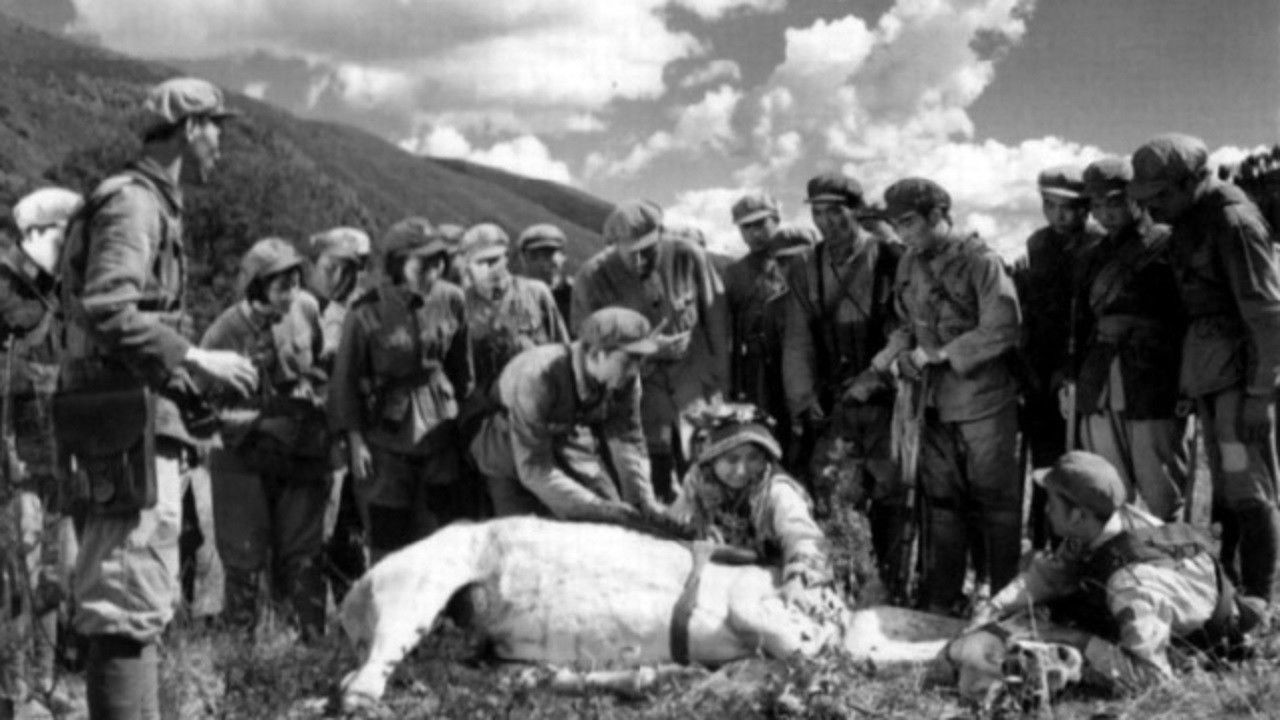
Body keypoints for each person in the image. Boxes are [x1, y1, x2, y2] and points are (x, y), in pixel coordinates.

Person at [58, 77, 258, 719]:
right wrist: (195, 356)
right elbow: (107, 309)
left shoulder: (155, 204)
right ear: (189, 129)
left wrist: (183, 383)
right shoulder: (136, 205)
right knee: (123, 598)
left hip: (140, 424)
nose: (220, 142)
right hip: (124, 431)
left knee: (139, 597)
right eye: (215, 128)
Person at [966, 451, 1264, 694]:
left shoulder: (1130, 586)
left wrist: (1075, 639)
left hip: (1195, 639)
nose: (1045, 510)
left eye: (1052, 503)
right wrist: (995, 607)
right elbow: (1052, 575)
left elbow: (1152, 679)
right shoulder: (1104, 522)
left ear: (1079, 515)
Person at [1128, 132, 1280, 602]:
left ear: (1192, 181)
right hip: (1213, 378)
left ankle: (1258, 605)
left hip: (1240, 383)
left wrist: (1260, 394)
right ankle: (1226, 597)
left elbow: (1267, 315)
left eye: (1161, 197)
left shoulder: (1232, 221)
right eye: (1146, 200)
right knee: (1226, 494)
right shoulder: (1192, 219)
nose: (1152, 211)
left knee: (1249, 493)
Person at [880, 177, 1022, 615]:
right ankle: (943, 598)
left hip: (983, 402)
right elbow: (907, 322)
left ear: (940, 215)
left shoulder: (981, 262)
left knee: (995, 505)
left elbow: (1004, 325)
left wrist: (941, 356)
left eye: (911, 223)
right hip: (933, 404)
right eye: (897, 225)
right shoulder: (908, 264)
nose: (904, 233)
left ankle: (1004, 602)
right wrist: (896, 355)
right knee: (942, 504)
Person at [201, 238, 330, 640]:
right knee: (243, 556)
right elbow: (203, 393)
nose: (292, 294)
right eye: (281, 286)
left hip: (298, 447)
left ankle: (308, 647)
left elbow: (320, 362)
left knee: (302, 552)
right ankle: (241, 654)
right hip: (245, 452)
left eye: (295, 282)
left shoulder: (306, 309)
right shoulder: (225, 330)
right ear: (257, 288)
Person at [782, 173, 905, 589]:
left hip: (889, 397)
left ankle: (894, 582)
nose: (827, 222)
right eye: (818, 212)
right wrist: (803, 396)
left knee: (894, 489)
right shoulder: (805, 266)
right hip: (835, 401)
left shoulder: (890, 257)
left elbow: (907, 328)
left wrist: (878, 376)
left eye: (837, 212)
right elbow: (796, 337)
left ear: (856, 212)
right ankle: (845, 579)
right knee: (832, 486)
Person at [328, 217, 473, 563]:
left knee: (438, 537)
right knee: (387, 538)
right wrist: (355, 438)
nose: (434, 270)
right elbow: (345, 380)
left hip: (440, 434)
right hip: (385, 439)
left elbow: (463, 370)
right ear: (397, 263)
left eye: (439, 261)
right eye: (423, 262)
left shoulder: (452, 299)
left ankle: (437, 617)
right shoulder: (366, 311)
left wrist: (467, 424)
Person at [571, 201, 730, 502]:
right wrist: (647, 351)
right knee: (651, 487)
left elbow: (718, 323)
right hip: (639, 399)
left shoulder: (688, 256)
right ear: (613, 245)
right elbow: (587, 349)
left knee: (712, 475)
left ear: (661, 233)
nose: (642, 259)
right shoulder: (591, 278)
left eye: (649, 249)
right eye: (632, 253)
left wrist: (722, 383)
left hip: (695, 391)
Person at [1, 187, 82, 714]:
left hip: (56, 460)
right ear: (34, 234)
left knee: (54, 575)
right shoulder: (5, 293)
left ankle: (46, 685)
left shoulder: (59, 296)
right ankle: (14, 693)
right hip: (14, 463)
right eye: (63, 236)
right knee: (15, 578)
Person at [1072, 157, 1188, 520]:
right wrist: (1071, 375)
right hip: (1101, 376)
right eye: (1096, 205)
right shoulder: (1092, 256)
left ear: (1136, 197)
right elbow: (1080, 324)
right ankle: (1120, 567)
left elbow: (1188, 315)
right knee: (1109, 485)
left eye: (1114, 201)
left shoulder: (1167, 245)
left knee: (1161, 487)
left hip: (1154, 378)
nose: (1105, 213)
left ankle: (1169, 569)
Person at [469, 307, 661, 520]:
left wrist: (644, 503)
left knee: (613, 515)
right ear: (597, 354)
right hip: (507, 445)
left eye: (639, 361)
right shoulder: (539, 377)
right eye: (628, 360)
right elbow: (533, 468)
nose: (635, 370)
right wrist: (596, 507)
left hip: (562, 439)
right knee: (529, 535)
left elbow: (626, 439)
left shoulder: (624, 379)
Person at [669, 402, 837, 618]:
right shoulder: (698, 482)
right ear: (713, 459)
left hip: (773, 589)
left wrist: (798, 581)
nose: (741, 470)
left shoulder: (777, 491)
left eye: (753, 458)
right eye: (731, 459)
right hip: (717, 588)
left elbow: (805, 539)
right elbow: (674, 526)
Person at [1013, 166, 1105, 548]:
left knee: (1081, 468)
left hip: (1085, 369)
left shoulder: (1100, 245)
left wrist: (1076, 370)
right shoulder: (1037, 245)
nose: (1059, 215)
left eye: (1068, 207)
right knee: (1045, 466)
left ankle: (1079, 549)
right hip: (1040, 370)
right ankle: (1042, 546)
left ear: (1085, 207)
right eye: (1050, 205)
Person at [305, 226, 370, 602]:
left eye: (355, 267)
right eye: (335, 265)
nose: (344, 276)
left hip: (351, 434)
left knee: (347, 528)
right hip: (309, 431)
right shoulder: (298, 303)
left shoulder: (361, 308)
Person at [459, 223, 568, 395]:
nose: (489, 269)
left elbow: (562, 349)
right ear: (468, 266)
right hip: (487, 404)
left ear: (506, 257)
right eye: (480, 262)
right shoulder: (462, 304)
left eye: (494, 260)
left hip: (538, 395)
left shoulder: (535, 292)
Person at [721, 192, 789, 443]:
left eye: (761, 224)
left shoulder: (800, 260)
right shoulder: (733, 273)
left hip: (795, 358)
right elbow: (726, 330)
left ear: (777, 219)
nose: (755, 233)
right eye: (746, 227)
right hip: (755, 367)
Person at [517, 223, 574, 328]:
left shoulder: (576, 293)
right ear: (524, 259)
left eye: (552, 254)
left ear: (564, 257)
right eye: (535, 256)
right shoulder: (512, 293)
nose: (545, 263)